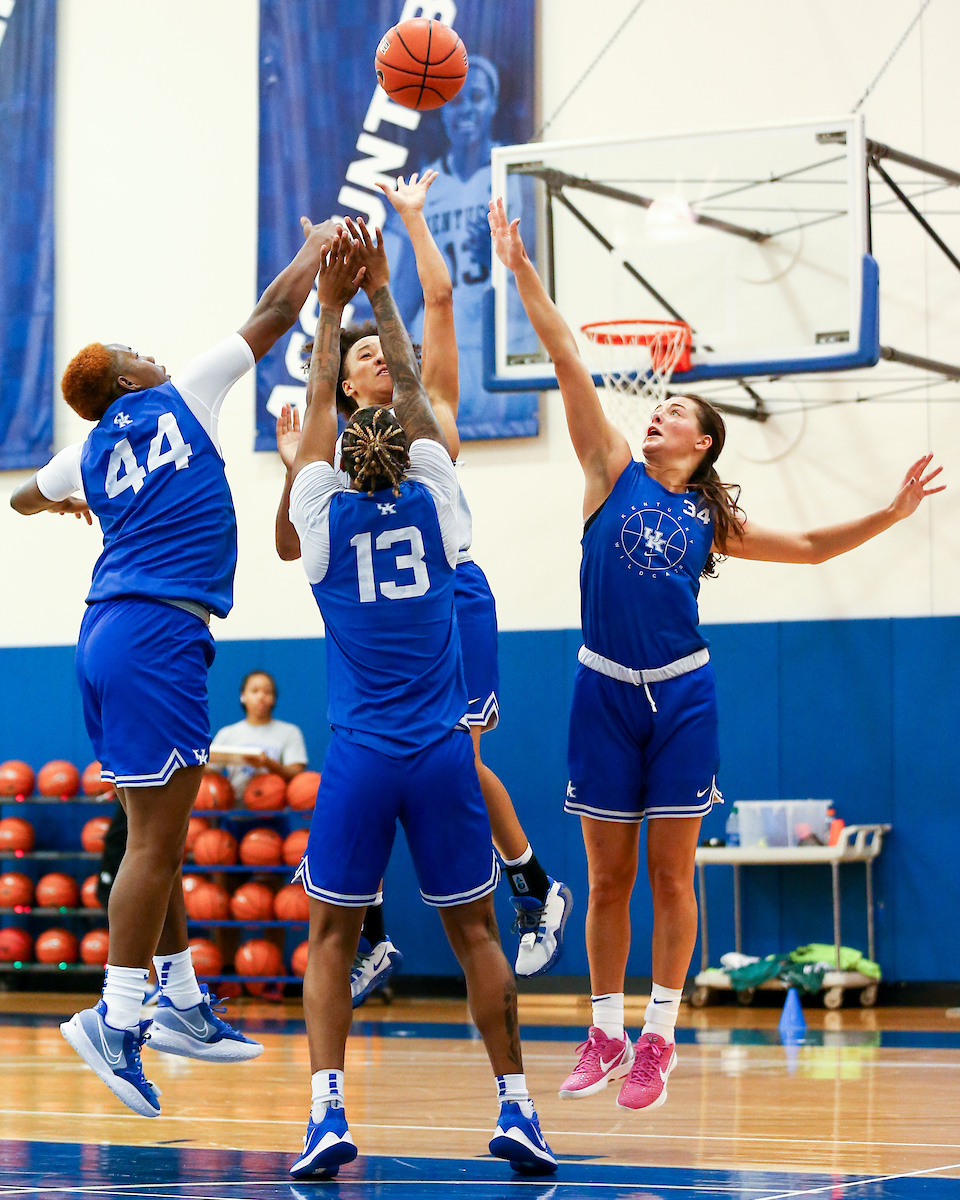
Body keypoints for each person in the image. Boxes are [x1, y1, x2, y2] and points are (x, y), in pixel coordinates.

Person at [488, 195, 945, 1112]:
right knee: (608, 877)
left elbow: (812, 547)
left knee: (670, 872)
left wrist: (890, 516)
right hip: (604, 691)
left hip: (684, 697)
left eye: (676, 412)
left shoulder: (710, 517)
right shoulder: (607, 473)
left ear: (702, 444)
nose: (657, 416)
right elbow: (570, 356)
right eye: (658, 408)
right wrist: (521, 270)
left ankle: (658, 1038)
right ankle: (604, 1031)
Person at [10, 218, 338, 1117]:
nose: (154, 354)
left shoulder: (85, 455)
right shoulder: (182, 394)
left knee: (155, 830)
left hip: (115, 631)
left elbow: (19, 496)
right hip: (154, 631)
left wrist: (73, 506)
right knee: (156, 841)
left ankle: (184, 1001)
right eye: (136, 352)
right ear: (125, 379)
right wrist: (319, 248)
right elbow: (276, 309)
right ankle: (116, 1021)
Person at [281, 226, 556, 1180]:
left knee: (329, 938)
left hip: (361, 757)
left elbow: (321, 403)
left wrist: (327, 308)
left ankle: (325, 1115)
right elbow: (418, 397)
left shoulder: (316, 517)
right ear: (411, 445)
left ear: (339, 458)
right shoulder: (441, 501)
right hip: (442, 752)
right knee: (475, 932)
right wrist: (384, 296)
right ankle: (518, 1109)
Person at [386, 58, 537, 439]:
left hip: (500, 346)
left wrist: (496, 250)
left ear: (494, 104)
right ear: (441, 112)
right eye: (455, 101)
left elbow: (539, 266)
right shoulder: (424, 185)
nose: (466, 109)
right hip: (437, 349)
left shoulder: (515, 173)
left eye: (477, 97)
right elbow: (405, 290)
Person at [210, 669, 308, 801]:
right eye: (255, 691)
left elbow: (297, 774)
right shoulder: (227, 733)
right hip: (235, 812)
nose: (261, 696)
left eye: (267, 691)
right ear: (243, 696)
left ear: (274, 698)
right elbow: (209, 771)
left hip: (273, 811)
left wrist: (268, 764)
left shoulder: (289, 732)